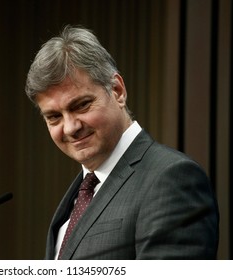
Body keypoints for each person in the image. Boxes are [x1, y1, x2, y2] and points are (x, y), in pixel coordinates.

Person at [25, 25, 219, 260]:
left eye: (81, 105)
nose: (70, 128)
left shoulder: (172, 178)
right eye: (54, 117)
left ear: (117, 91)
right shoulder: (80, 193)